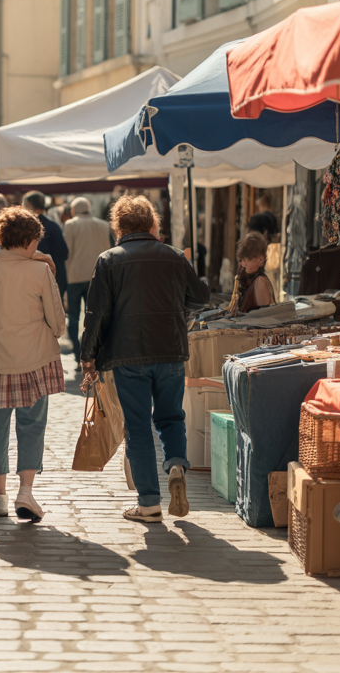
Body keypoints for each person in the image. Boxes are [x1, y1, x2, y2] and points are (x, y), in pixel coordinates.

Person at [80, 195, 210, 523]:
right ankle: (176, 464)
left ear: (118, 226)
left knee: (137, 426)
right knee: (171, 417)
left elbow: (96, 314)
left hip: (127, 356)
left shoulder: (108, 260)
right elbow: (200, 298)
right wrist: (178, 302)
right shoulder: (174, 256)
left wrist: (88, 357)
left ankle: (149, 502)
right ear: (152, 223)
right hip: (170, 351)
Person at [0, 206, 65, 522]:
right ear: (30, 240)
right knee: (32, 426)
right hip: (35, 361)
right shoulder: (41, 271)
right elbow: (58, 325)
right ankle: (26, 492)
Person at [63, 197, 112, 363]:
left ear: (73, 210)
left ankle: (79, 355)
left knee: (74, 317)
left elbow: (67, 252)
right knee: (96, 317)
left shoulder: (70, 225)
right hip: (97, 277)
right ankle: (95, 353)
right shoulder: (103, 225)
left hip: (75, 276)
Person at [23, 191, 69, 297]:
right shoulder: (53, 226)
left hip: (32, 282)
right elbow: (64, 253)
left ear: (29, 205)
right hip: (54, 280)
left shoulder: (24, 229)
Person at [232, 232, 276, 314]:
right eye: (242, 260)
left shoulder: (260, 281)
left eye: (248, 259)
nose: (243, 264)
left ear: (261, 260)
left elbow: (264, 316)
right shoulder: (252, 280)